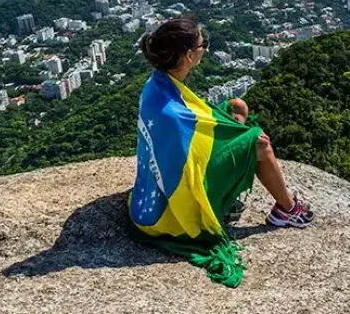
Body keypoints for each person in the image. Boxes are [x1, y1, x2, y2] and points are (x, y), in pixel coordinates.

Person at [129, 18, 312, 286]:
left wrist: (236, 137)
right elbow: (187, 161)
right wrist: (245, 142)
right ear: (190, 55)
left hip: (178, 164)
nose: (206, 48)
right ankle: (287, 209)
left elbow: (193, 132)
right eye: (204, 44)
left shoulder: (159, 81)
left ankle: (234, 189)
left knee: (238, 107)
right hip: (177, 194)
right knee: (260, 145)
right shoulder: (169, 111)